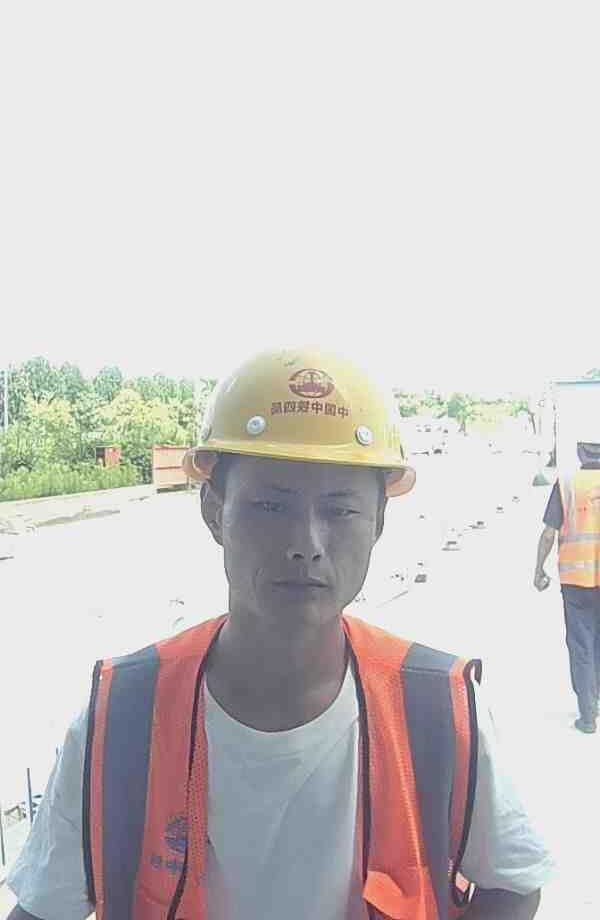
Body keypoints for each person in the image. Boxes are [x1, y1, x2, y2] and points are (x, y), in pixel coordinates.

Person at [7, 348, 555, 920]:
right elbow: (43, 909)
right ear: (214, 512)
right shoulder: (124, 714)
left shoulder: (437, 706)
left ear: (379, 523)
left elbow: (514, 883)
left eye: (340, 511)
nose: (306, 544)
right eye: (271, 506)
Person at [535, 440, 600, 734]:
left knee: (581, 644)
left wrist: (538, 570)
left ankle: (588, 715)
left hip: (576, 582)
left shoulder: (567, 484)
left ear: (580, 454)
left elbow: (549, 533)